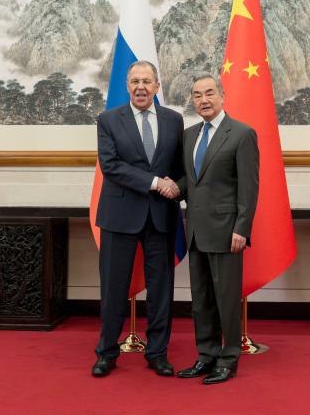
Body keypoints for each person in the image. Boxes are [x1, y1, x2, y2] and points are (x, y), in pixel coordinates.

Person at [92, 60, 184, 378]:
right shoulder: (108, 120)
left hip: (161, 216)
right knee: (114, 288)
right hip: (119, 216)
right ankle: (107, 353)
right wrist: (156, 183)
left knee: (161, 290)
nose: (140, 87)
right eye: (134, 81)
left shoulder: (174, 120)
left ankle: (157, 352)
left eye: (146, 81)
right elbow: (111, 166)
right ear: (127, 86)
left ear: (157, 86)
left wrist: (178, 187)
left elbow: (180, 167)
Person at [176, 73, 259, 385]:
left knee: (226, 300)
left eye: (209, 93)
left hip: (227, 232)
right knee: (201, 301)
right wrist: (169, 187)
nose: (204, 100)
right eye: (197, 95)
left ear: (222, 96)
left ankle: (228, 359)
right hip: (196, 232)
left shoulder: (241, 134)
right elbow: (191, 182)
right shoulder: (189, 135)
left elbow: (249, 187)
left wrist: (242, 228)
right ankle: (206, 355)